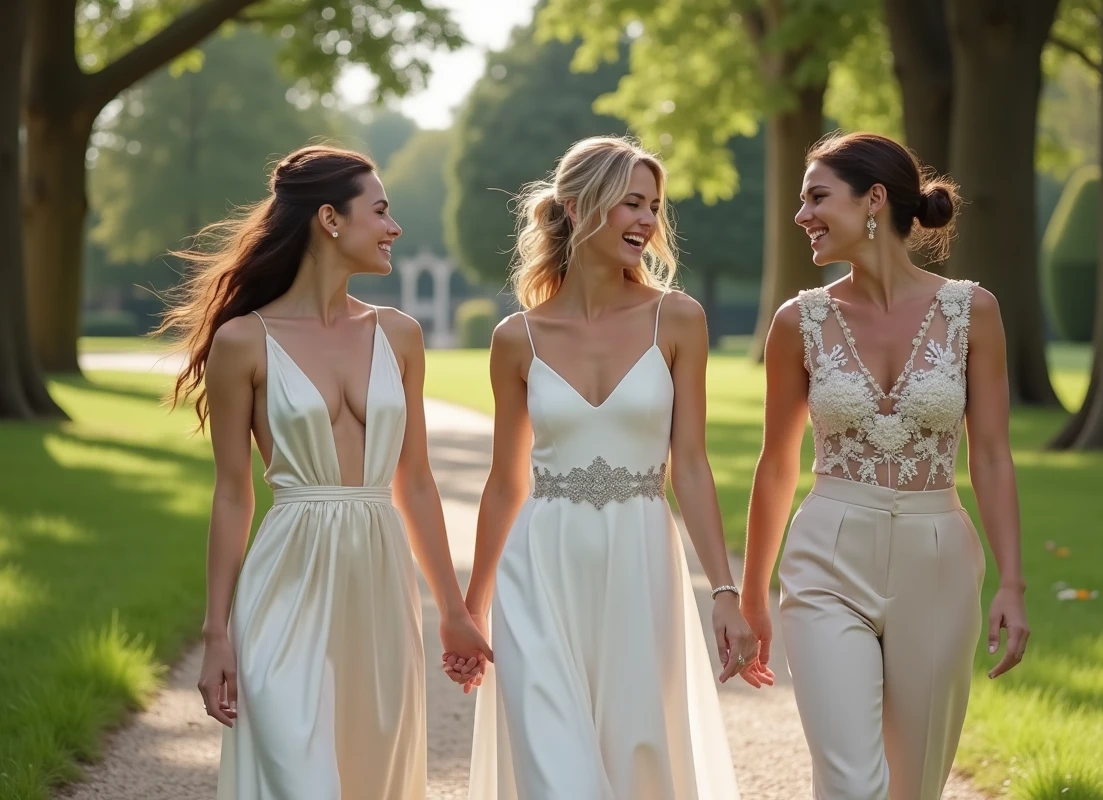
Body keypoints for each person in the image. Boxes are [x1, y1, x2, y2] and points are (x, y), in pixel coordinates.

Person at [158, 144, 490, 799]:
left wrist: (451, 609)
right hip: (288, 572)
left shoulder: (399, 335)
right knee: (292, 766)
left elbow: (416, 482)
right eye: (382, 211)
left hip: (379, 575)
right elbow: (232, 495)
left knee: (374, 767)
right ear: (331, 220)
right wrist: (216, 634)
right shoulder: (243, 342)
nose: (395, 228)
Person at [454, 135, 767, 800]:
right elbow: (506, 481)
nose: (648, 221)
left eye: (654, 206)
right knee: (553, 767)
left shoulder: (678, 320)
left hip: (639, 562)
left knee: (635, 756)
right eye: (631, 204)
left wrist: (723, 592)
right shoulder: (517, 338)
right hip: (539, 566)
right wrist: (471, 606)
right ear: (576, 207)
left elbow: (690, 468)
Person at [740, 132, 1030, 800]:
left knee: (915, 785)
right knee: (849, 781)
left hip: (938, 557)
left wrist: (1012, 582)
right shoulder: (798, 321)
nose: (801, 215)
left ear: (874, 200)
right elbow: (778, 462)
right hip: (827, 556)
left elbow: (990, 456)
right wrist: (753, 592)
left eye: (817, 197)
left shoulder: (972, 311)